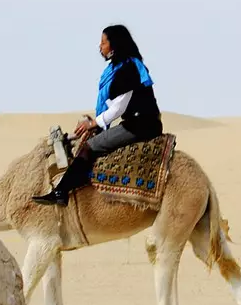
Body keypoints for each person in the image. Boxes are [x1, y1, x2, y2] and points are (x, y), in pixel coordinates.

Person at [33, 24, 164, 205]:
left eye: (104, 42)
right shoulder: (119, 68)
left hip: (140, 124)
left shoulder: (129, 69)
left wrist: (94, 123)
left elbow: (119, 108)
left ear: (114, 44)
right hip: (136, 122)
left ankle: (61, 192)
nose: (100, 47)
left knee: (89, 147)